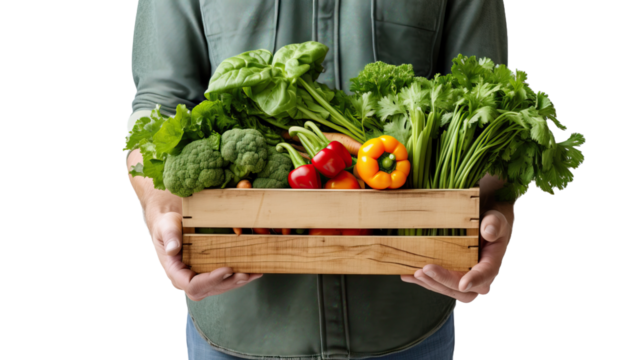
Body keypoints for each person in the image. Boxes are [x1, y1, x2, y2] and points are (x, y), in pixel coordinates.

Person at [127, 1, 514, 359]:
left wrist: (495, 204)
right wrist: (159, 205)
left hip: (409, 318)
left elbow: (487, 99)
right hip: (238, 321)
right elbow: (159, 100)